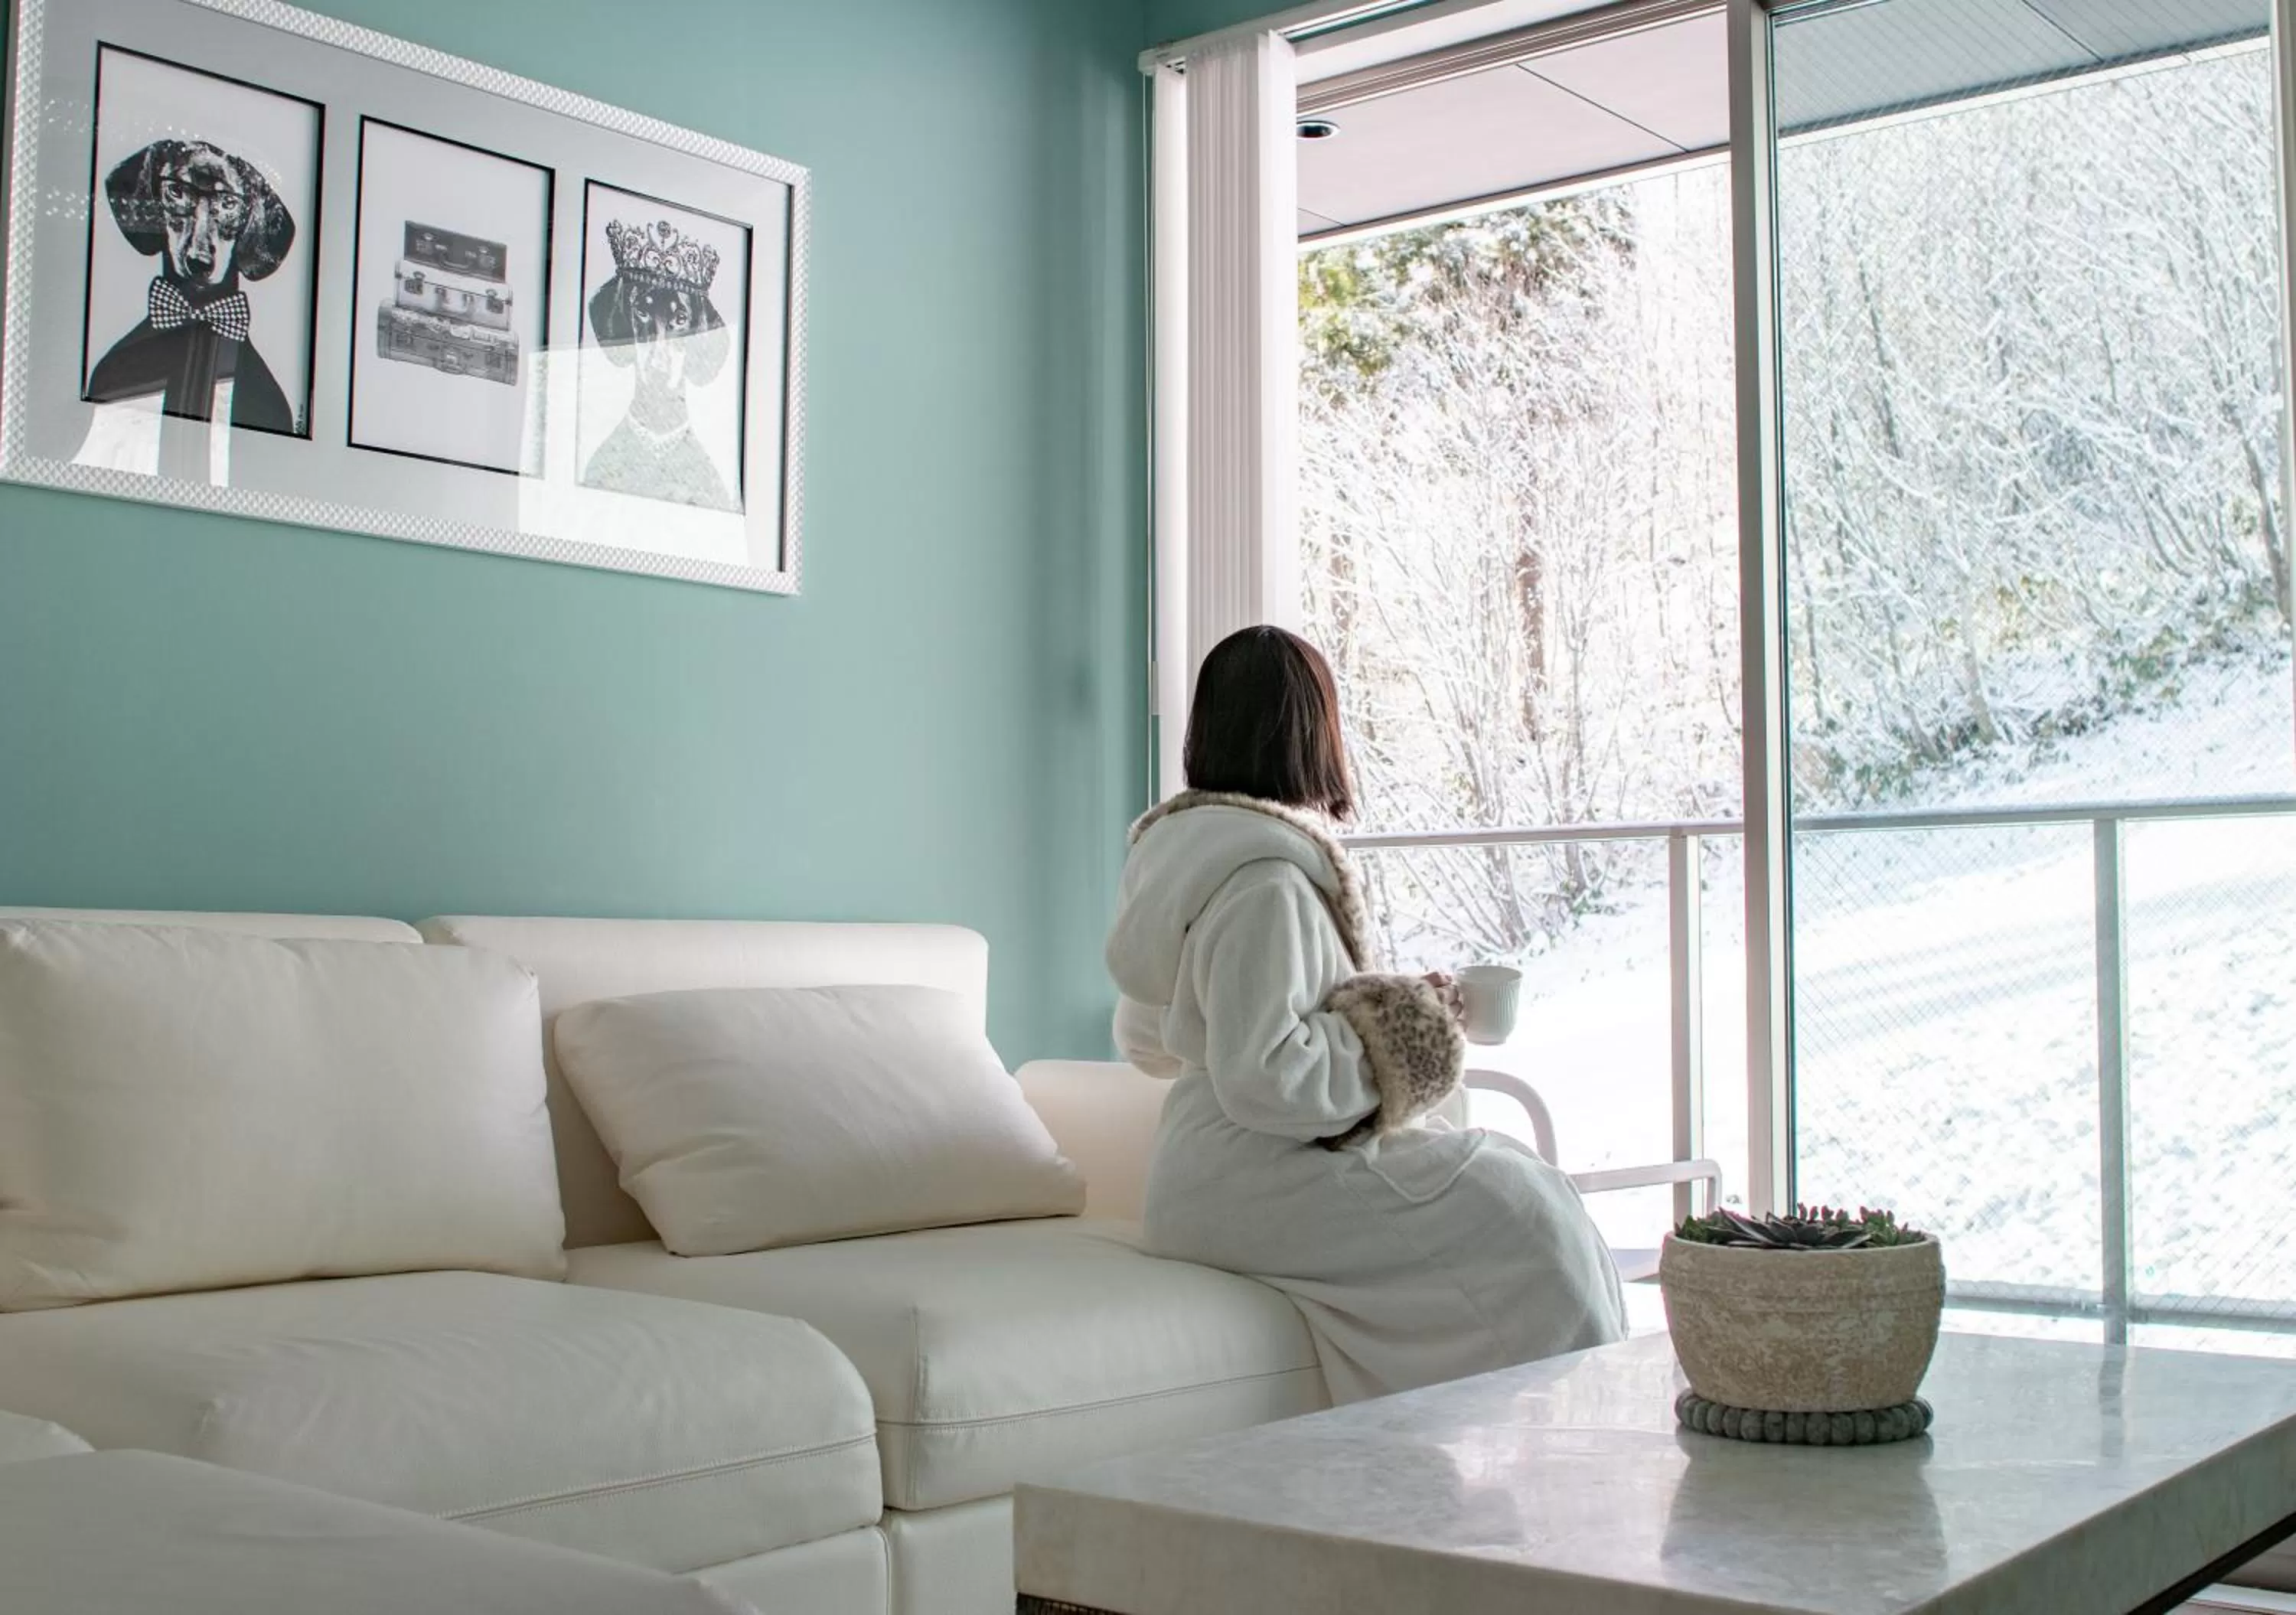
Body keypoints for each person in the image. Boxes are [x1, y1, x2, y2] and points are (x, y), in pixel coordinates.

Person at [1106, 625, 1625, 1403]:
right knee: (1528, 1213)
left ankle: (1504, 1438)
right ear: (1313, 730)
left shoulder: (1187, 864)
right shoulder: (1266, 881)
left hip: (1204, 1172)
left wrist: (1388, 1005)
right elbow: (1266, 1077)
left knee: (1520, 1182)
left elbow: (1149, 1036)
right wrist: (1400, 1032)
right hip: (1256, 1176)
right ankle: (1584, 1435)